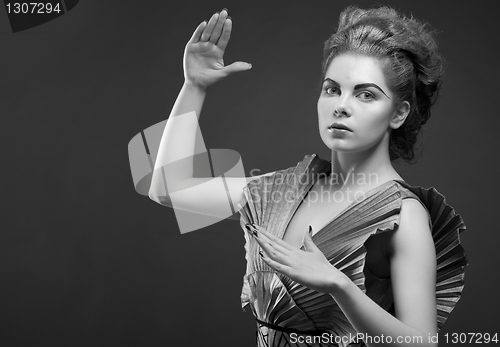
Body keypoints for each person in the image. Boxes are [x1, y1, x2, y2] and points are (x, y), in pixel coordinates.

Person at [147, 6, 467, 347]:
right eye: (332, 89)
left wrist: (337, 284)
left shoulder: (404, 215)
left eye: (366, 94)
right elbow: (169, 187)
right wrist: (193, 86)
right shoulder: (282, 190)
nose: (341, 105)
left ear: (399, 113)